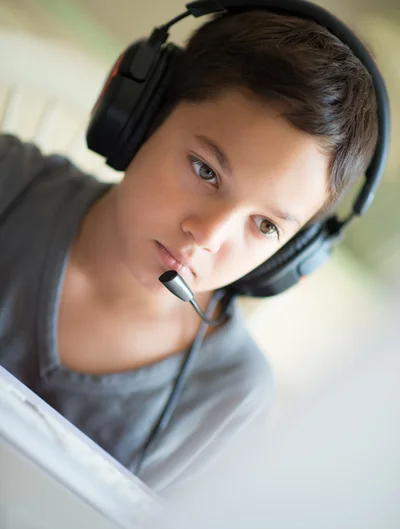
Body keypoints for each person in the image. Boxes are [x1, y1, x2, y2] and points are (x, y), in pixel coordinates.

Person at [0, 9, 378, 492]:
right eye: (205, 170)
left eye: (264, 225)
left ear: (292, 255)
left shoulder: (227, 401)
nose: (208, 235)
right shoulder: (9, 180)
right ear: (141, 119)